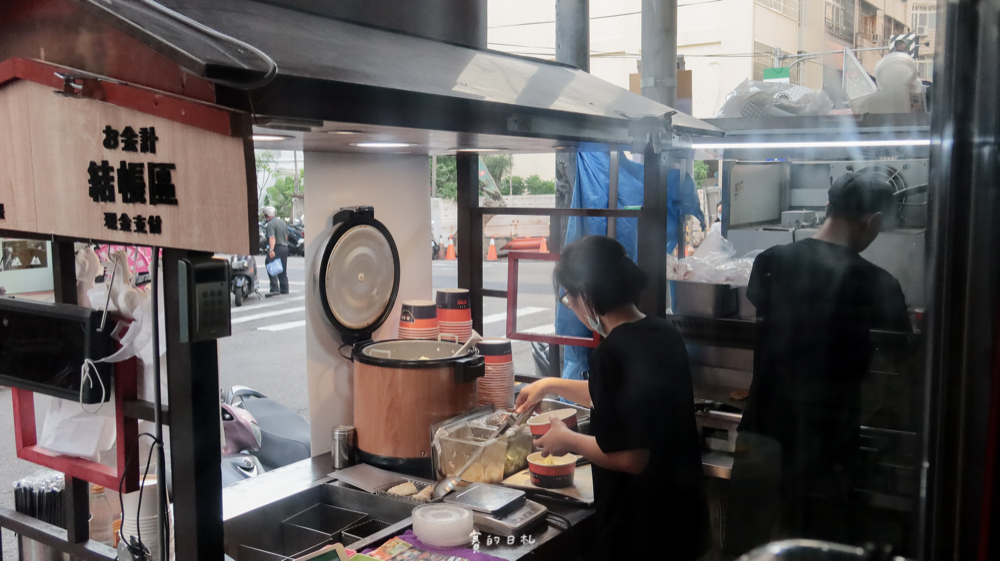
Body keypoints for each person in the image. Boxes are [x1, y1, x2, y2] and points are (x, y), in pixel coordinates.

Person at [732, 172, 912, 544]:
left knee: (751, 544)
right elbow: (903, 359)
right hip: (829, 445)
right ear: (874, 221)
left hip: (763, 433)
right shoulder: (878, 284)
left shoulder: (769, 262)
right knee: (818, 545)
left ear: (828, 206)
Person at [515, 236, 710, 561]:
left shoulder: (612, 351)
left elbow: (631, 457)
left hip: (642, 530)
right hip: (683, 517)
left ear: (585, 293)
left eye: (569, 298)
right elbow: (617, 396)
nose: (571, 306)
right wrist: (548, 385)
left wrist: (568, 440)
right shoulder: (664, 333)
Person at [263, 206, 289, 296]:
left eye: (265, 215)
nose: (265, 217)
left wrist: (271, 250)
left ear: (268, 215)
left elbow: (272, 238)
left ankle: (274, 288)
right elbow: (286, 236)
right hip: (285, 247)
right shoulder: (283, 223)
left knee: (269, 263)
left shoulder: (270, 224)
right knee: (283, 268)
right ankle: (284, 289)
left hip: (277, 247)